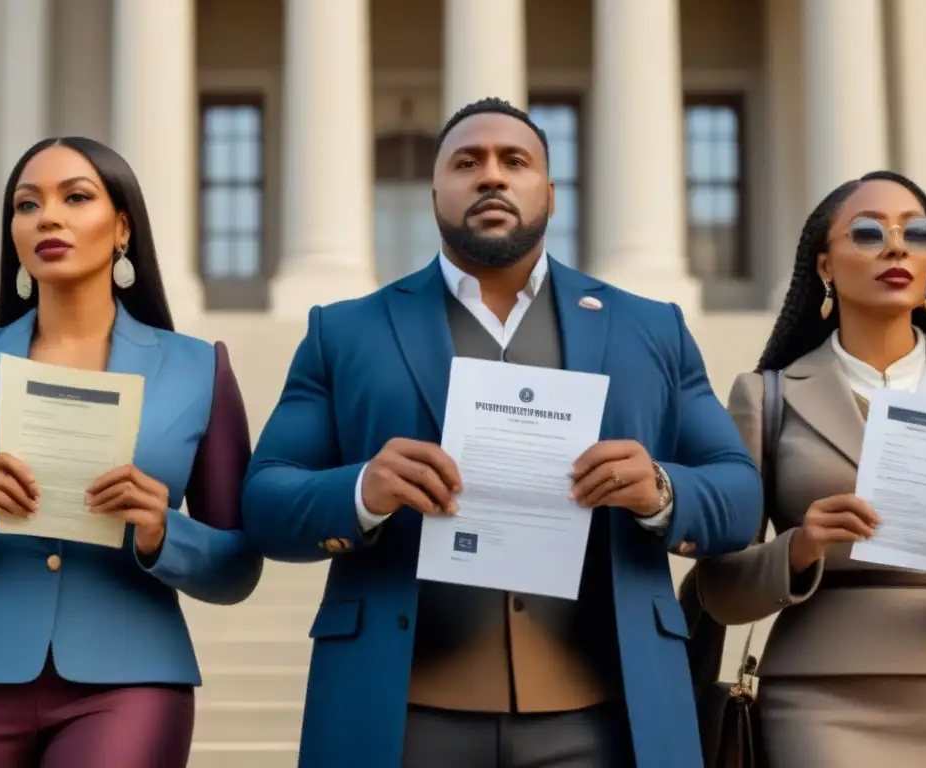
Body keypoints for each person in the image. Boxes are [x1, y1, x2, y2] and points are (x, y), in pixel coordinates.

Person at [243, 97, 762, 768]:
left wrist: (660, 489)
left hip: (604, 720)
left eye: (514, 162)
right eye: (467, 162)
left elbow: (738, 494)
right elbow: (265, 499)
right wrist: (363, 490)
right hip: (398, 718)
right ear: (435, 191)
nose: (491, 176)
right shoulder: (344, 332)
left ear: (548, 191)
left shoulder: (649, 328)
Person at [0, 137, 264, 768]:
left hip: (131, 680)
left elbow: (238, 566)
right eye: (27, 204)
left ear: (122, 226)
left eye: (75, 197)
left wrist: (161, 532)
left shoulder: (199, 370)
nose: (48, 217)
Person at [695, 170, 926, 768]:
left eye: (918, 233)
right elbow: (718, 587)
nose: (897, 247)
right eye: (869, 232)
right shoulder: (764, 396)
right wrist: (797, 549)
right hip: (819, 691)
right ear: (824, 266)